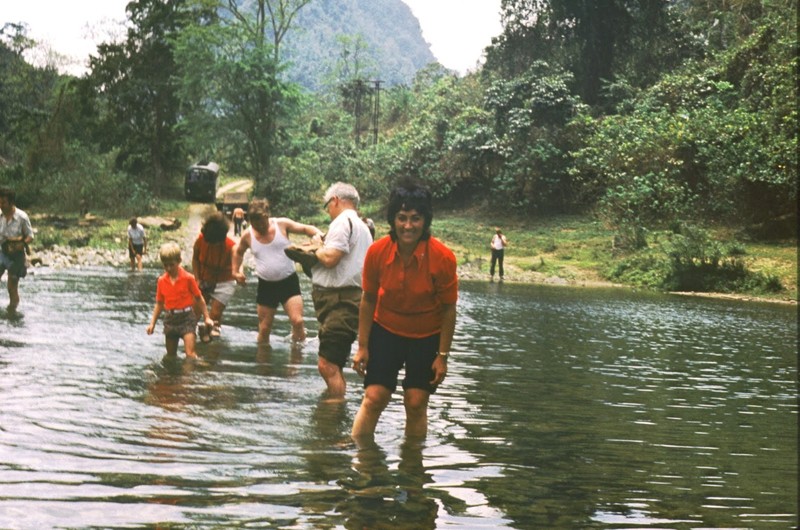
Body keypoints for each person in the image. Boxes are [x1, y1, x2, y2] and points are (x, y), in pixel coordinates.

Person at [351, 178, 458, 440]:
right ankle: (359, 457)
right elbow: (368, 300)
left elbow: (448, 310)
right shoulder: (377, 252)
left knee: (415, 401)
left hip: (426, 336)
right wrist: (362, 346)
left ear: (425, 221)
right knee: (375, 396)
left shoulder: (443, 258)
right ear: (392, 220)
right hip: (386, 330)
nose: (408, 226)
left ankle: (413, 469)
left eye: (415, 218)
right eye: (401, 217)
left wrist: (442, 356)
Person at [310, 182, 373, 398]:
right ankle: (334, 406)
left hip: (341, 302)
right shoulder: (363, 228)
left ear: (335, 200)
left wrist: (318, 245)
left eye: (328, 205)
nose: (328, 211)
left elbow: (330, 258)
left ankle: (334, 412)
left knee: (327, 365)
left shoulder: (342, 222)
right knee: (332, 362)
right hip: (346, 301)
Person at [232, 198, 323, 344]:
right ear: (251, 222)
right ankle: (263, 364)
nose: (260, 227)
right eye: (256, 225)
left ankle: (296, 362)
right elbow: (238, 252)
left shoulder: (282, 224)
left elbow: (306, 229)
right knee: (264, 328)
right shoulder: (248, 235)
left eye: (262, 223)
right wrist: (235, 271)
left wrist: (320, 236)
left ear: (267, 216)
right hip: (266, 286)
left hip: (289, 282)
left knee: (298, 321)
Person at [146, 242, 214, 360]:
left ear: (179, 261)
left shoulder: (188, 278)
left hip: (187, 318)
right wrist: (152, 323)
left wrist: (207, 317)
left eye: (171, 265)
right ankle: (173, 378)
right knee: (171, 356)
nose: (168, 268)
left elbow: (199, 298)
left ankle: (192, 374)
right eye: (165, 265)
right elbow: (159, 303)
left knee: (190, 354)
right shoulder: (162, 281)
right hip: (170, 319)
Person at [192, 211, 237, 342]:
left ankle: (211, 346)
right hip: (204, 278)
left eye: (215, 243)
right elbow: (195, 259)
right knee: (193, 316)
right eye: (209, 242)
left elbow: (237, 265)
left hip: (225, 281)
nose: (212, 245)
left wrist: (239, 274)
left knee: (214, 315)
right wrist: (197, 278)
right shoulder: (201, 239)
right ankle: (194, 342)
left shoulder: (231, 246)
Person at [0, 187, 34, 312]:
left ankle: (12, 311)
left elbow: (30, 236)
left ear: (11, 202)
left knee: (12, 287)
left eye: (3, 202)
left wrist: (23, 243)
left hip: (17, 256)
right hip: (3, 252)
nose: (1, 205)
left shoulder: (22, 217)